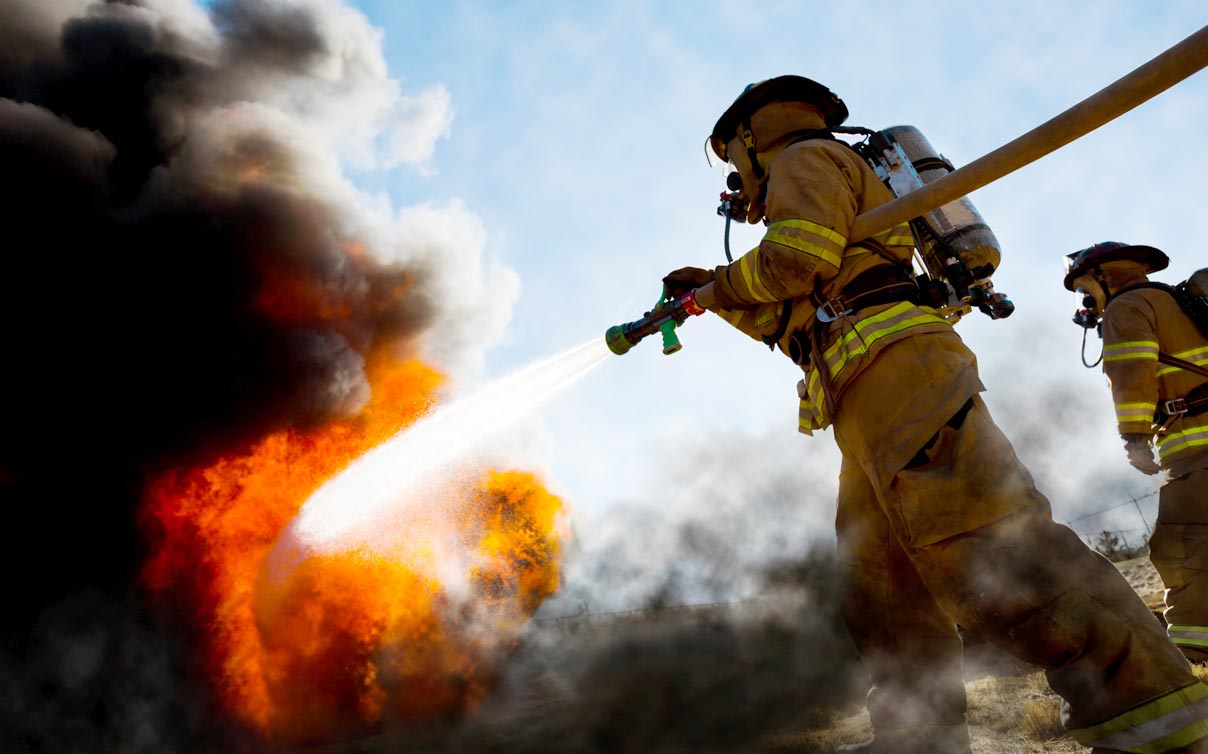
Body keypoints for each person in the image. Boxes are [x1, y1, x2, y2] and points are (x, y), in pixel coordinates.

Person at [664, 76, 1208, 754]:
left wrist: (719, 285)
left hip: (903, 379)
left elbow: (795, 261)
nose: (735, 179)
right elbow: (798, 314)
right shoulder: (815, 180)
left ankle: (1153, 715)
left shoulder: (801, 159)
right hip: (864, 398)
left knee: (989, 545)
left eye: (731, 158)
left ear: (749, 135)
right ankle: (919, 736)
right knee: (881, 586)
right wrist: (710, 296)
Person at [1064, 242, 1208, 663]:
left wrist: (1135, 437)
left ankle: (1194, 654)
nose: (1085, 299)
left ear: (1104, 275)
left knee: (1181, 548)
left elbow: (1133, 375)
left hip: (1196, 448)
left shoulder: (1126, 309)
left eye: (1084, 287)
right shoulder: (1176, 301)